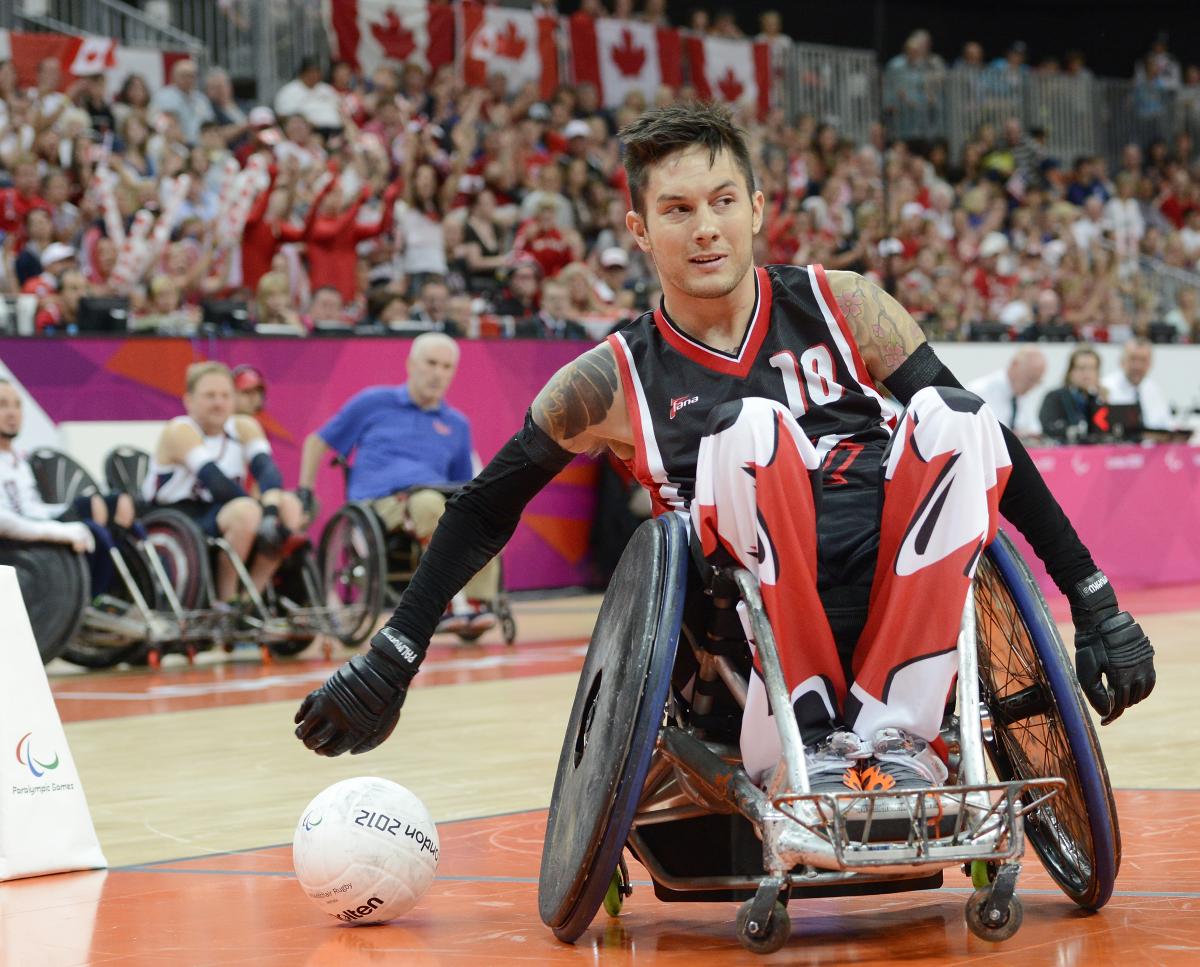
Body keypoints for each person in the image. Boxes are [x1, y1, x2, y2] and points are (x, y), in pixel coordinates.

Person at [295, 105, 1154, 812]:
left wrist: (1095, 599)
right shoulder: (609, 378)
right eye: (676, 209)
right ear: (639, 227)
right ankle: (810, 730)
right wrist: (393, 654)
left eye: (721, 201)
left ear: (756, 206)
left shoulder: (844, 302)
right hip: (743, 654)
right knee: (753, 428)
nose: (705, 228)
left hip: (894, 595)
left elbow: (987, 449)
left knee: (961, 414)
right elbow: (484, 506)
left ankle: (897, 731)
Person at [297, 333, 499, 633]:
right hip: (377, 504)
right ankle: (443, 603)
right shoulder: (373, 402)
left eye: (446, 367)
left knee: (481, 513)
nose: (438, 373)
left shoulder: (457, 424)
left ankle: (476, 603)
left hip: (432, 499)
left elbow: (463, 483)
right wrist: (305, 491)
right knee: (431, 506)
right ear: (410, 364)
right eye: (431, 363)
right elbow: (317, 442)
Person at [144, 362, 304, 603]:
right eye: (210, 396)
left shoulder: (244, 426)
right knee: (247, 511)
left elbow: (268, 472)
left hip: (219, 510)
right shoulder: (179, 430)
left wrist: (271, 512)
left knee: (288, 505)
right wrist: (262, 513)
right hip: (176, 516)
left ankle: (251, 598)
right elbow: (216, 482)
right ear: (189, 400)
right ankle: (225, 599)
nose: (219, 403)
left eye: (225, 395)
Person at [0, 380, 137, 597]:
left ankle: (126, 594)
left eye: (17, 405)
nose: (12, 413)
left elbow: (33, 508)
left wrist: (75, 507)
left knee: (114, 503)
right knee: (95, 530)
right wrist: (59, 530)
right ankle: (90, 598)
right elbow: (5, 521)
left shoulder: (18, 459)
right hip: (13, 541)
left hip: (34, 521)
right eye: (2, 405)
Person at [966, 346, 1046, 438]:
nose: (1032, 386)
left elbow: (1034, 430)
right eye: (1030, 379)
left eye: (1037, 381)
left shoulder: (1021, 394)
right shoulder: (978, 392)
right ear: (1014, 365)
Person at [1100, 338, 1173, 431]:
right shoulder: (1105, 387)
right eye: (1133, 359)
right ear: (1121, 361)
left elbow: (1167, 423)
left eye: (1143, 360)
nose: (1138, 366)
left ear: (1150, 363)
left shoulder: (1154, 389)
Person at [1038, 346, 1105, 443]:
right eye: (1081, 368)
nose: (1087, 374)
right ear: (1071, 372)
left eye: (1092, 368)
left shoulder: (1097, 399)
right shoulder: (1055, 397)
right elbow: (1048, 427)